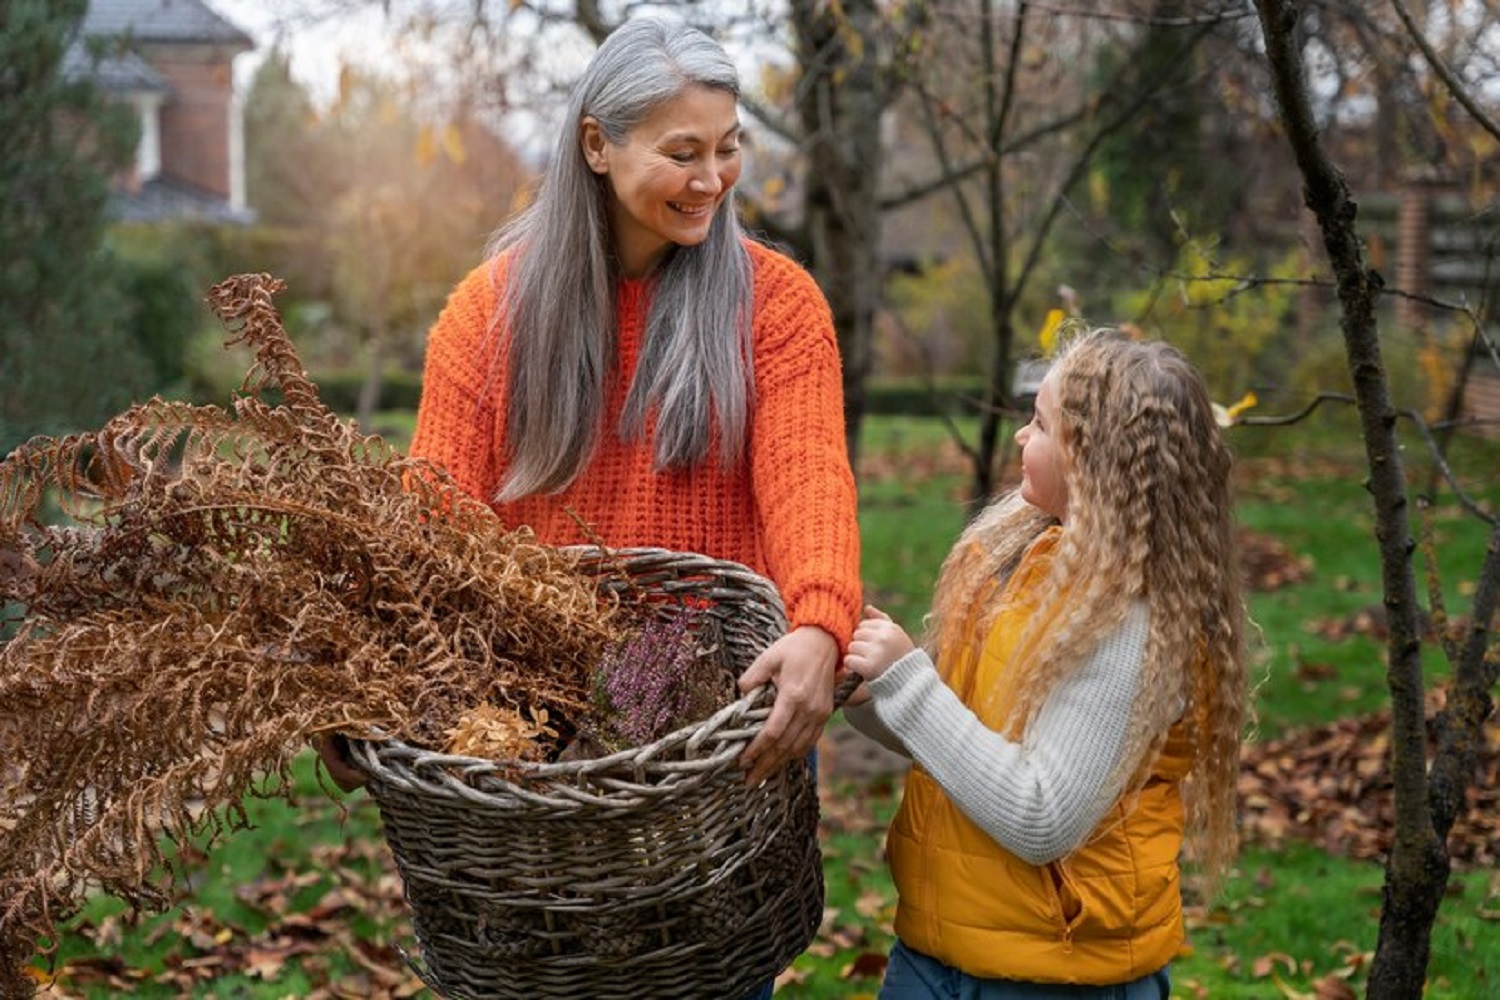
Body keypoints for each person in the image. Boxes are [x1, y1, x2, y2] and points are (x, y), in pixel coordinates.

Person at [318, 20, 861, 995]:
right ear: (597, 145)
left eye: (730, 146)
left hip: (715, 739)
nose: (714, 179)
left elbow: (808, 471)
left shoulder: (775, 307)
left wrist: (821, 621)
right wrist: (367, 668)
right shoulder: (490, 314)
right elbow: (427, 523)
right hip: (538, 758)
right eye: (683, 152)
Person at [841, 329, 1248, 999]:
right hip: (939, 949)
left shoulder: (1128, 626)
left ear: (1096, 463)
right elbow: (970, 746)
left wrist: (909, 685)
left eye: (1040, 424)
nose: (1021, 440)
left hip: (1056, 976)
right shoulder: (1031, 569)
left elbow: (1041, 818)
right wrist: (876, 696)